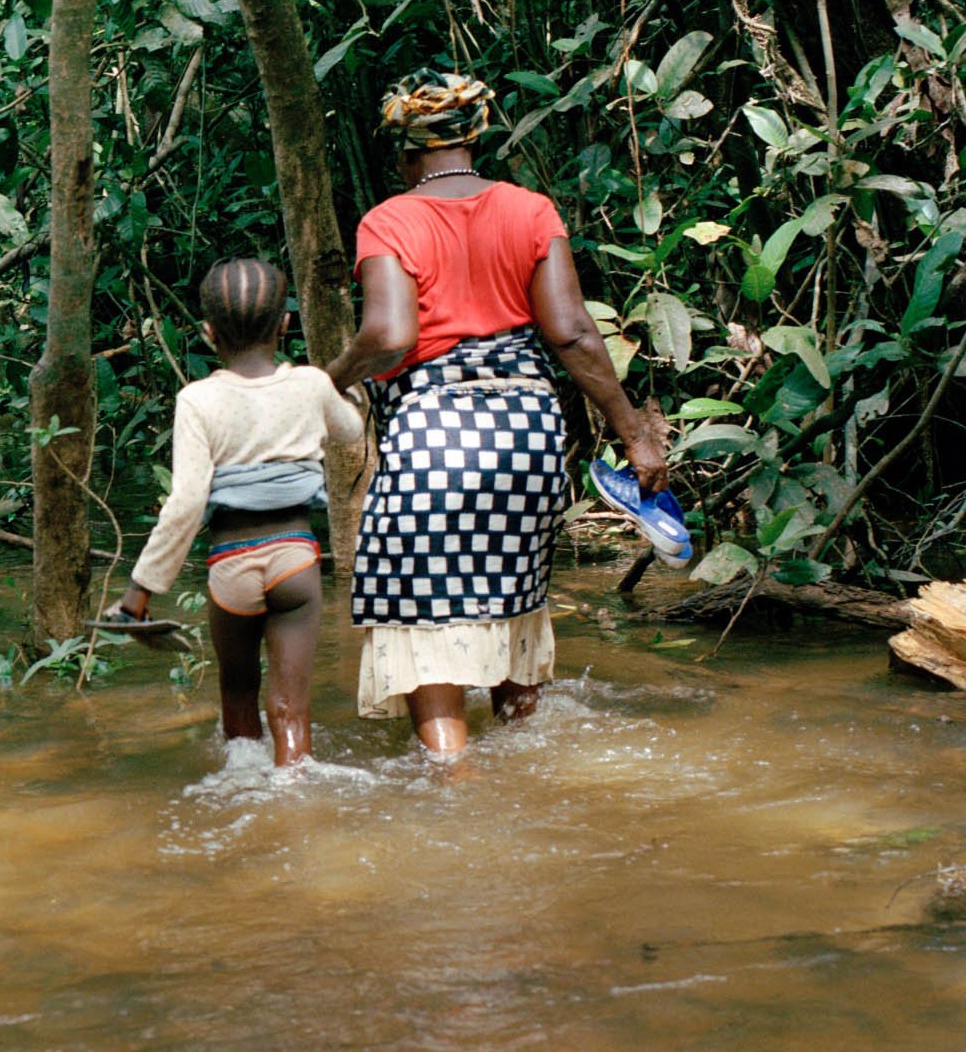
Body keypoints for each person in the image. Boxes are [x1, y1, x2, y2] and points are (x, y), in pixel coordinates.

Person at [320, 70, 670, 755]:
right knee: (514, 604)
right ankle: (526, 760)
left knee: (421, 618)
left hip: (437, 434)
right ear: (475, 135)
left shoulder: (389, 220)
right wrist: (635, 434)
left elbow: (390, 337)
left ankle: (457, 786)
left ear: (403, 149)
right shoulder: (532, 211)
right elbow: (571, 331)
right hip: (529, 434)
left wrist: (329, 380)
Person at [108, 258, 365, 765]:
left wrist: (139, 592)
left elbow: (185, 502)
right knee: (291, 709)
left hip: (230, 564)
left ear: (208, 333)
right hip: (295, 560)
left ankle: (243, 786)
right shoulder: (311, 385)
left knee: (238, 699)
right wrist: (347, 393)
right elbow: (352, 433)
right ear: (284, 324)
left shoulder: (198, 399)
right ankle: (295, 794)